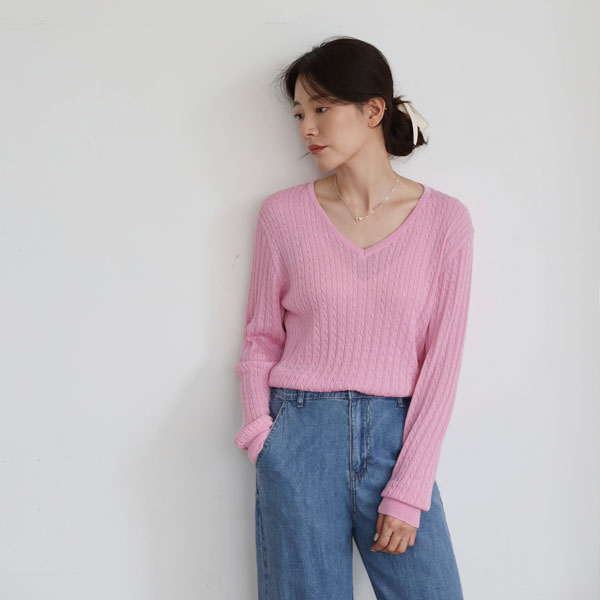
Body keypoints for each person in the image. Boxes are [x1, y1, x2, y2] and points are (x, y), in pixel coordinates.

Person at [233, 35, 473, 600]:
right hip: (299, 436)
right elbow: (261, 337)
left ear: (373, 110)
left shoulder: (445, 222)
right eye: (299, 113)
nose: (307, 128)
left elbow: (442, 365)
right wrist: (263, 438)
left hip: (396, 438)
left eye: (321, 108)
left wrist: (409, 487)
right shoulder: (283, 215)